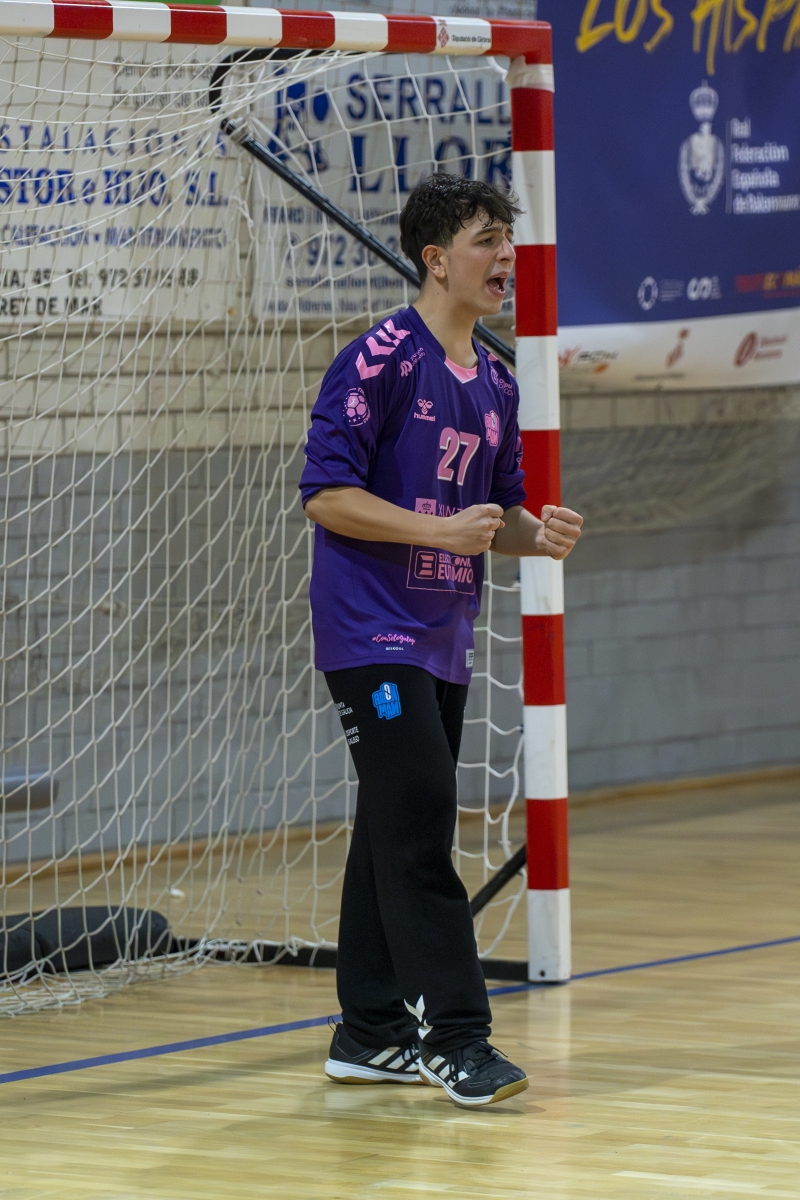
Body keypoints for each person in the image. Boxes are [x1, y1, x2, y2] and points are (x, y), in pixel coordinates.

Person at [299, 173, 583, 1108]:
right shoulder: (377, 360)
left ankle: (367, 1033)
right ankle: (457, 1040)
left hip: (442, 633)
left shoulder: (495, 381)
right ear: (435, 260)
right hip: (370, 630)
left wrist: (534, 533)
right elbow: (326, 497)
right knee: (421, 818)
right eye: (486, 240)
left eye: (508, 239)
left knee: (392, 819)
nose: (506, 257)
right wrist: (436, 530)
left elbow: (494, 515)